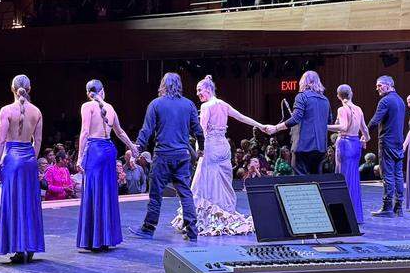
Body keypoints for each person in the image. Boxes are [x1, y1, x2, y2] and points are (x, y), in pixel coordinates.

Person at [174, 76, 260, 236]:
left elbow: (201, 131)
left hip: (211, 147)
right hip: (224, 147)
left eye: (199, 90)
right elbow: (241, 117)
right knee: (222, 183)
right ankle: (224, 213)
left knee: (202, 184)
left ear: (208, 89)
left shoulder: (207, 106)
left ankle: (201, 220)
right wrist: (261, 126)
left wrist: (198, 150)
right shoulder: (223, 104)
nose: (198, 93)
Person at [128, 72, 202, 241]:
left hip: (163, 155)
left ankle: (148, 228)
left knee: (156, 194)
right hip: (183, 155)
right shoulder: (189, 104)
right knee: (185, 192)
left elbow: (147, 130)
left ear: (163, 85)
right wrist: (201, 149)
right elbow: (198, 130)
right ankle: (192, 230)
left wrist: (137, 149)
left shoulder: (156, 104)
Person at [0, 75, 45, 262]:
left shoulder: (6, 110)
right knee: (28, 202)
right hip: (29, 158)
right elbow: (37, 141)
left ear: (12, 88)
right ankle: (29, 246)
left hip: (11, 159)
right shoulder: (37, 112)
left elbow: (0, 141)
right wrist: (32, 158)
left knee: (12, 202)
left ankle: (17, 247)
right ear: (29, 89)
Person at [76, 79, 133, 251]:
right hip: (109, 150)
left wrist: (79, 157)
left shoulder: (87, 106)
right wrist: (132, 147)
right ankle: (107, 237)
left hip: (94, 150)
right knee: (107, 193)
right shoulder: (111, 107)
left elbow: (85, 131)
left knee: (94, 193)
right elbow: (120, 132)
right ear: (103, 91)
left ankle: (94, 239)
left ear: (89, 93)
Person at [266, 71, 330, 174]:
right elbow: (328, 121)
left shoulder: (302, 96)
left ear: (303, 82)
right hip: (321, 148)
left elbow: (295, 118)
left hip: (304, 147)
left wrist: (276, 128)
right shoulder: (325, 100)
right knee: (316, 182)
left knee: (301, 183)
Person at [327, 85, 369, 222]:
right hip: (355, 143)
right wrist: (365, 139)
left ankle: (344, 216)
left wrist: (323, 126)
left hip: (345, 144)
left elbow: (343, 127)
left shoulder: (342, 109)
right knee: (353, 179)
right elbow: (365, 130)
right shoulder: (359, 109)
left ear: (338, 96)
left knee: (343, 178)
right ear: (351, 93)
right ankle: (355, 215)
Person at [367, 76, 407, 217]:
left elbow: (375, 121)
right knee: (398, 175)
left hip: (387, 143)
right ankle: (399, 207)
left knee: (388, 175)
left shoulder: (385, 101)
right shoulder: (400, 100)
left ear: (388, 85)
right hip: (398, 142)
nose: (377, 88)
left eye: (379, 85)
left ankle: (387, 207)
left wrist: (365, 134)